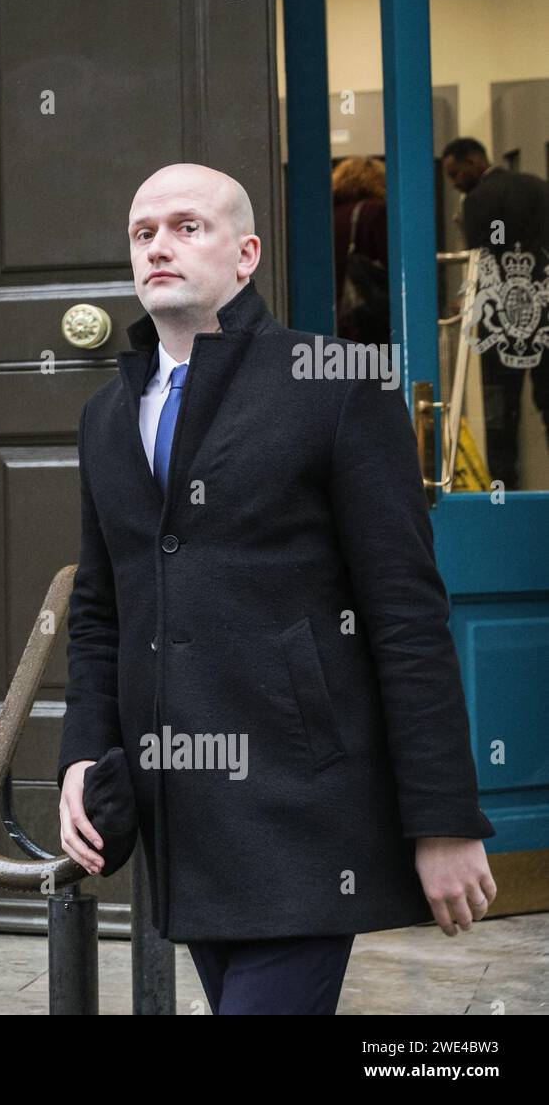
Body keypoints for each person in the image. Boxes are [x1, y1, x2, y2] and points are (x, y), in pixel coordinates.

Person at [56, 163, 497, 1015]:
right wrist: (81, 754)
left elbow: (406, 613)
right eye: (144, 233)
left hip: (304, 806)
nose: (159, 246)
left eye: (189, 227)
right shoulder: (107, 418)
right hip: (181, 815)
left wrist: (442, 818)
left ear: (247, 254)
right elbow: (100, 611)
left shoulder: (335, 386)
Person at [441, 136, 549, 490]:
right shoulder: (538, 187)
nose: (454, 181)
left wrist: (468, 299)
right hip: (544, 306)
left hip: (499, 317)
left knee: (501, 410)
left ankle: (507, 491)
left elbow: (482, 260)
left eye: (455, 172)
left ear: (473, 160)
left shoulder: (478, 201)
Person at [331, 156, 391, 347]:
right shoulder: (375, 212)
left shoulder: (328, 216)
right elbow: (389, 262)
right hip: (367, 318)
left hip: (336, 317)